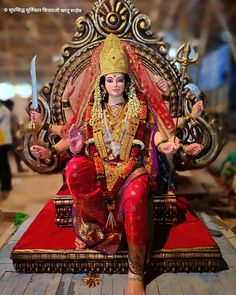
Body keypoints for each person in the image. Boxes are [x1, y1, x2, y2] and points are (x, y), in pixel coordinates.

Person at [30, 34, 204, 295]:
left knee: (135, 195)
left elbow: (153, 133)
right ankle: (95, 230)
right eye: (109, 79)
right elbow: (75, 137)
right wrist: (52, 150)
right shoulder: (92, 109)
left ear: (126, 81)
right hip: (100, 164)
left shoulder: (140, 106)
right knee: (75, 168)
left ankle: (135, 272)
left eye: (119, 79)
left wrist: (163, 145)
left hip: (132, 167)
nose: (114, 84)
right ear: (102, 81)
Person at [0, 100, 13, 199]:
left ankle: (5, 186)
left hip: (2, 139)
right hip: (4, 139)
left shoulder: (2, 109)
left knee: (2, 165)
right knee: (4, 164)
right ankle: (7, 185)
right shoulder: (5, 109)